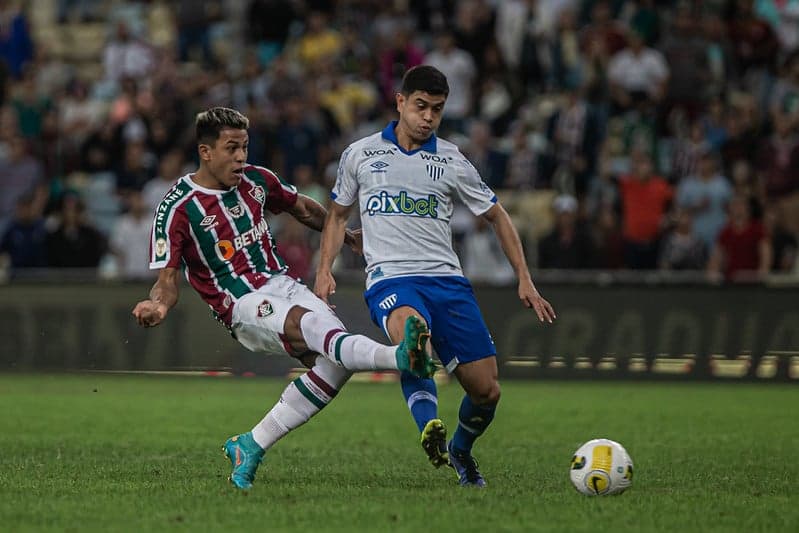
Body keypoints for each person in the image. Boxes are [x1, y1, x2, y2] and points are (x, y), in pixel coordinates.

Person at [132, 107, 435, 490]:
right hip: (241, 304)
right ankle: (401, 357)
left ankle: (251, 443)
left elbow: (303, 208)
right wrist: (158, 304)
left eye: (244, 147)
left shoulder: (257, 180)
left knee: (336, 360)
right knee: (310, 329)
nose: (241, 157)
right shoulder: (178, 207)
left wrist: (344, 234)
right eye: (231, 148)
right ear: (206, 152)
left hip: (284, 285)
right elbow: (168, 280)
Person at [314, 66, 556, 487]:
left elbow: (498, 217)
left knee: (487, 391)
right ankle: (430, 427)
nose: (427, 117)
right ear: (400, 102)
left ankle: (461, 450)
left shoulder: (451, 160)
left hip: (448, 282)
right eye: (421, 106)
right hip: (391, 279)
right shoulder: (361, 154)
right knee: (414, 334)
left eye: (437, 110)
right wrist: (324, 272)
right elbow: (337, 216)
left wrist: (525, 278)